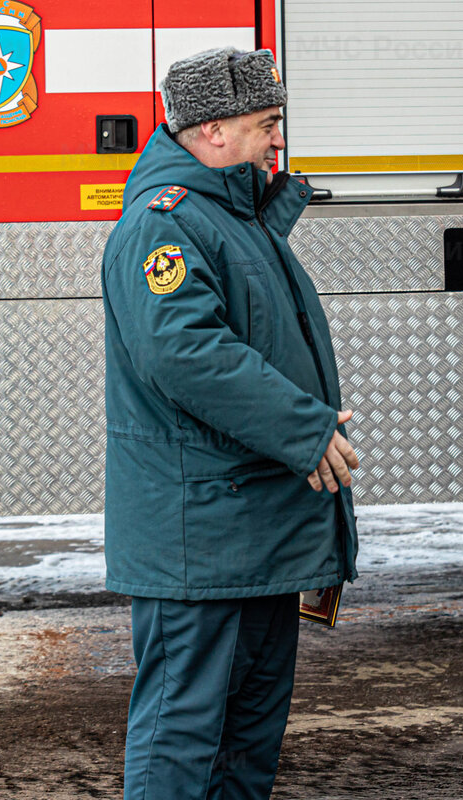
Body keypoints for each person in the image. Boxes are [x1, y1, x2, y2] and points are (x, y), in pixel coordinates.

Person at [100, 47, 359, 800]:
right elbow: (184, 354)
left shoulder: (233, 217)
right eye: (266, 124)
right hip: (202, 543)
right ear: (210, 132)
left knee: (245, 738)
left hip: (252, 533)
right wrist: (303, 428)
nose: (278, 140)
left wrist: (302, 423)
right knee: (182, 732)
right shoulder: (165, 227)